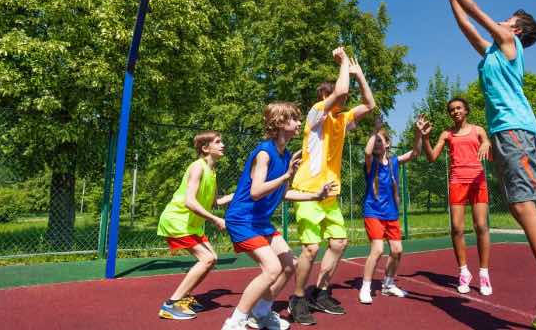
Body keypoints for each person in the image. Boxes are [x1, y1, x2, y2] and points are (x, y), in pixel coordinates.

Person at [428, 0, 536, 330]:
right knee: (520, 209)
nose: (499, 21)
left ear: (516, 28)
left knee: (523, 206)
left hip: (515, 132)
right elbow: (466, 25)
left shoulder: (510, 44)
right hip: (506, 134)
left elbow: (477, 12)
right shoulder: (492, 54)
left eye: (506, 19)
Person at [221, 102, 336, 330]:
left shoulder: (285, 156)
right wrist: (286, 176)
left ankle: (261, 313)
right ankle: (235, 321)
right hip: (242, 219)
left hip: (260, 221)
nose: (298, 123)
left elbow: (283, 194)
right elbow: (256, 192)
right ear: (281, 122)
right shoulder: (265, 153)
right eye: (293, 119)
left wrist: (316, 195)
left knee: (289, 264)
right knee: (272, 268)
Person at [288, 47, 375, 325]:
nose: (343, 98)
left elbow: (369, 105)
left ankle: (321, 292)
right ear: (324, 97)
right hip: (307, 194)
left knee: (339, 242)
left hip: (330, 194)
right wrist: (343, 63)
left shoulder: (342, 119)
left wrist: (359, 75)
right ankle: (298, 297)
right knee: (311, 249)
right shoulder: (316, 115)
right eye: (336, 95)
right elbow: (341, 93)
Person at [156, 131, 233, 320]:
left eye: (221, 141)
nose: (222, 145)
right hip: (177, 221)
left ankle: (184, 298)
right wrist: (215, 219)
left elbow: (216, 201)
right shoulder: (197, 167)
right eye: (218, 142)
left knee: (212, 258)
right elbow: (190, 201)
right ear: (206, 148)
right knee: (206, 259)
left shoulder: (212, 172)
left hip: (190, 225)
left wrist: (242, 193)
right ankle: (171, 304)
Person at [420, 98, 493, 296]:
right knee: (457, 228)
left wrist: (486, 142)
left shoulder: (478, 130)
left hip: (478, 180)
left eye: (459, 108)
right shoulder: (446, 134)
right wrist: (425, 138)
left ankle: (484, 273)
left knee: (481, 226)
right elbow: (431, 157)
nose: (455, 111)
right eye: (452, 109)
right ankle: (463, 272)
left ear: (466, 110)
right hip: (457, 182)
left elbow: (487, 143)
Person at [358, 115, 423, 304]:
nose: (377, 144)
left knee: (397, 250)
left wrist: (418, 133)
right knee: (377, 249)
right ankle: (365, 287)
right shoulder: (371, 164)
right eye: (375, 141)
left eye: (381, 141)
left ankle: (387, 284)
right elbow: (367, 152)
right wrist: (375, 131)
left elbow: (415, 153)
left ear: (387, 144)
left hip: (391, 213)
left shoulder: (394, 161)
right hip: (373, 212)